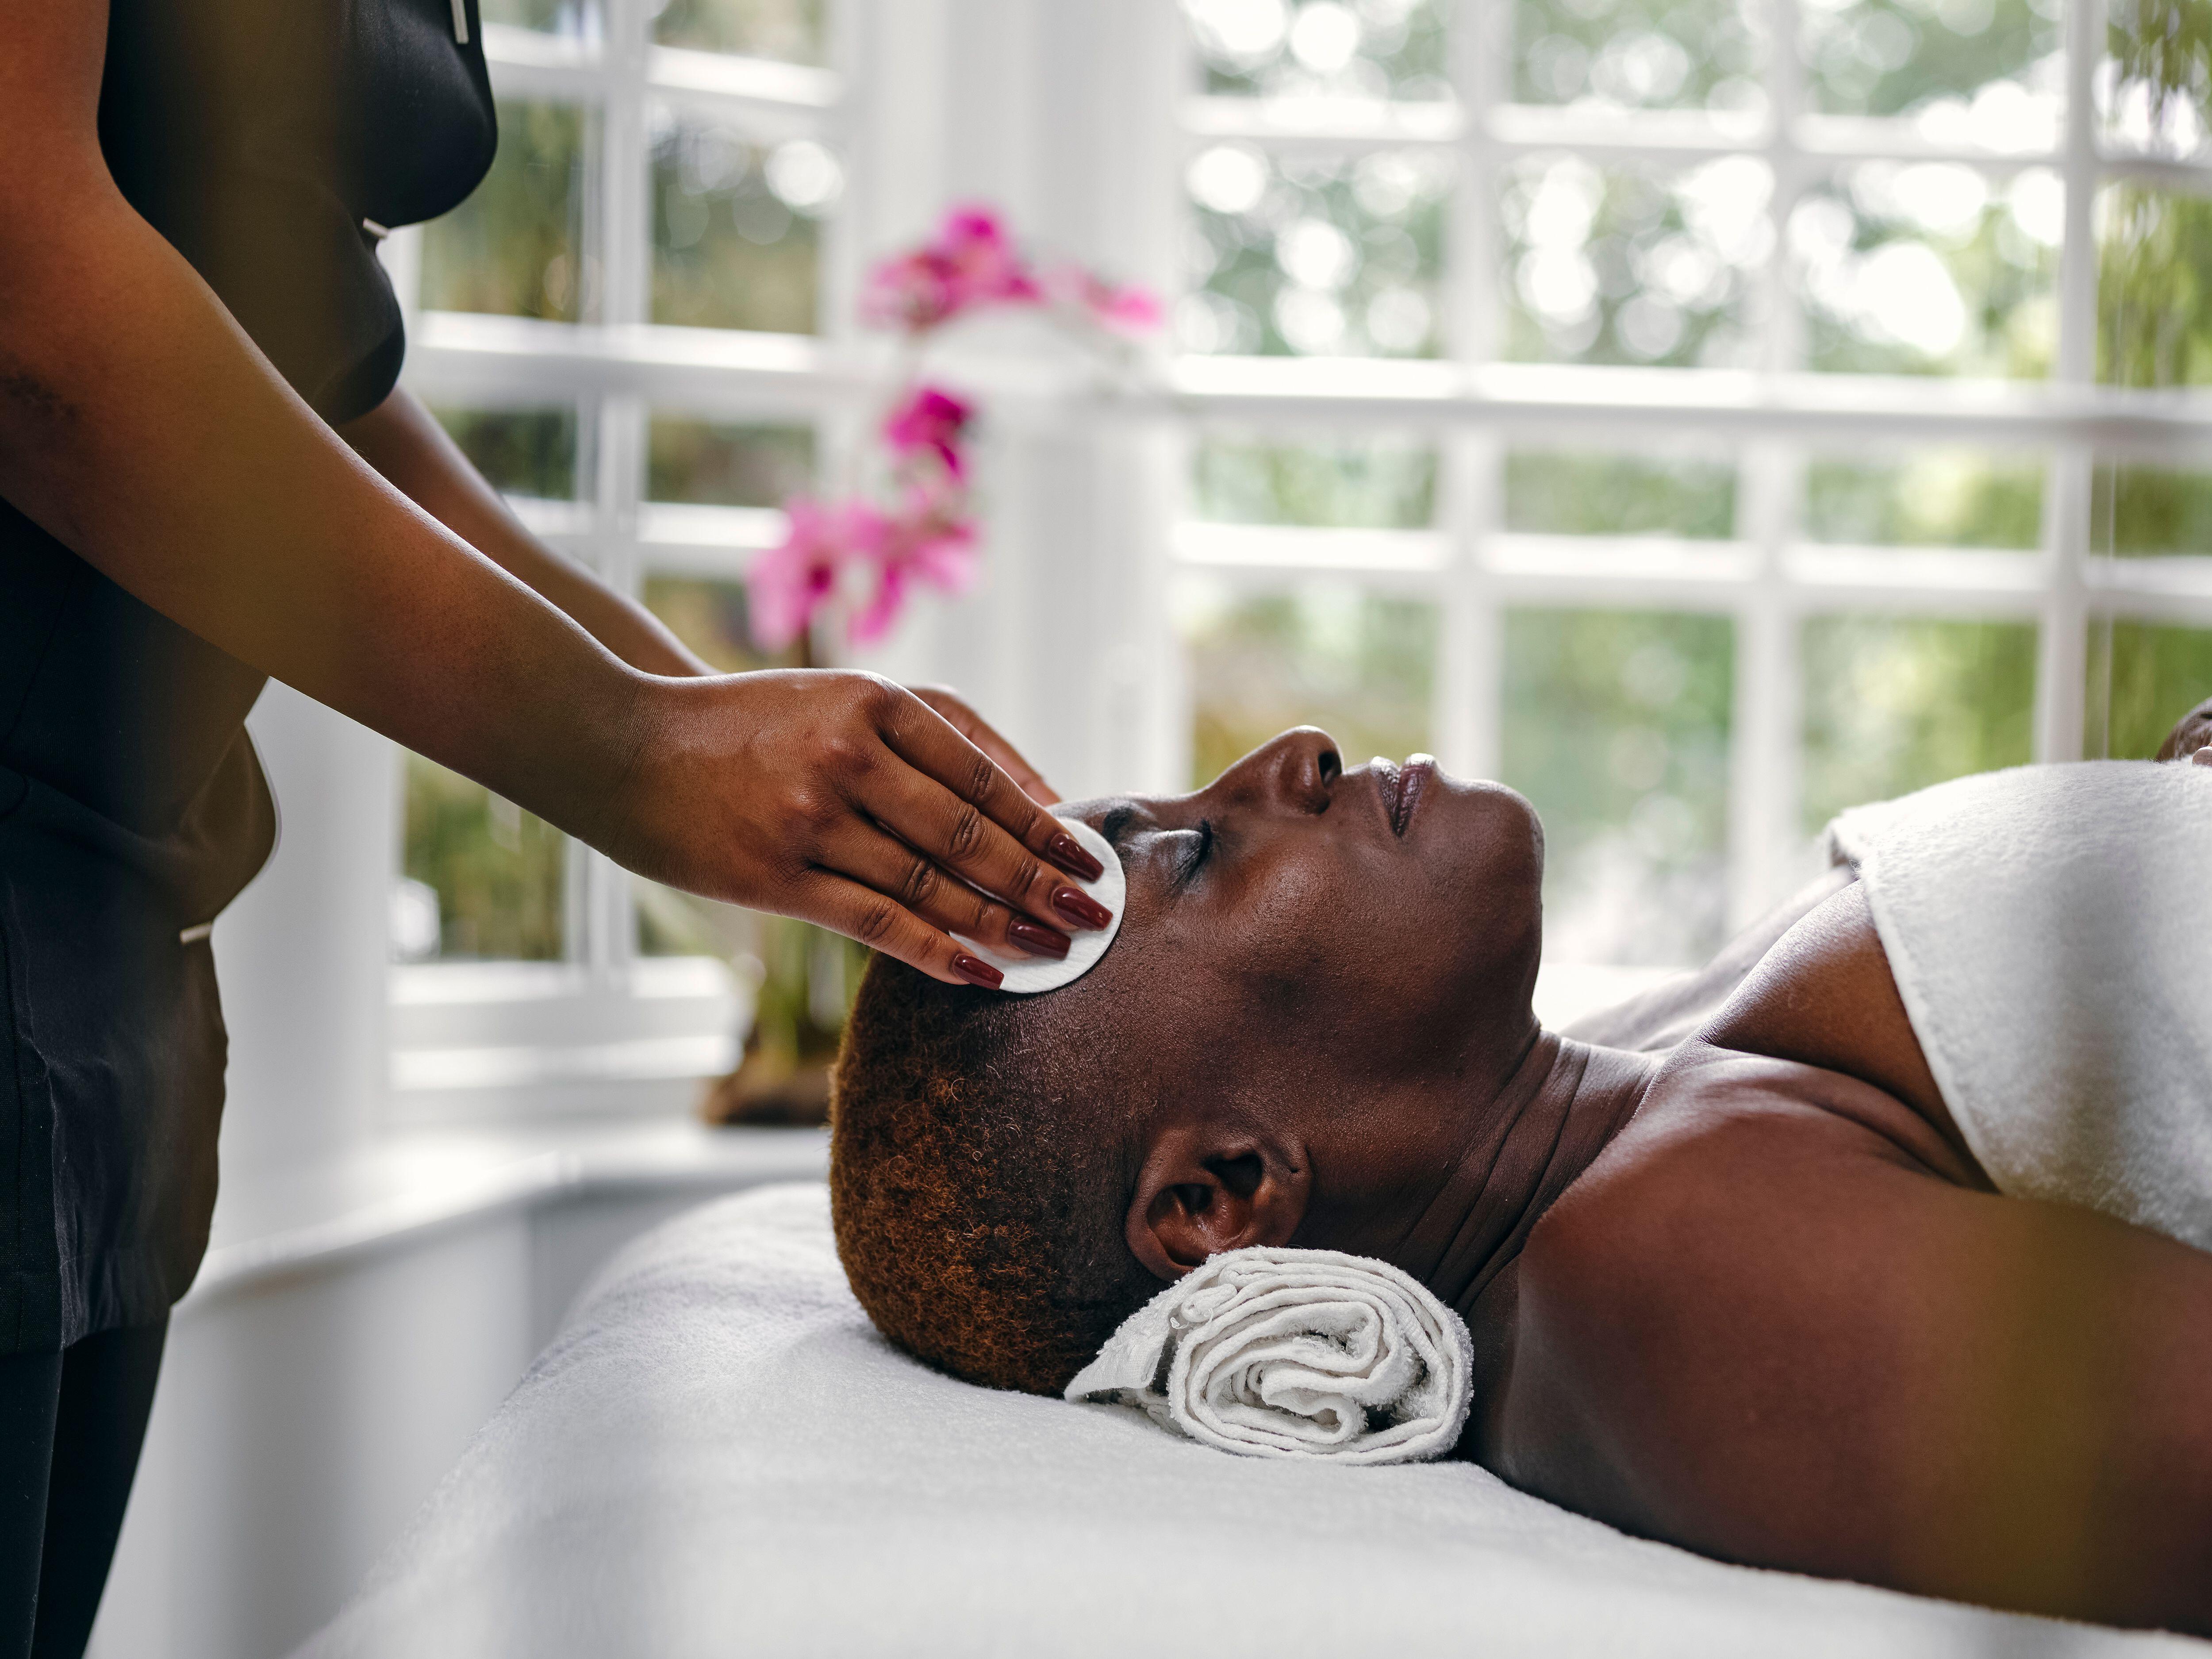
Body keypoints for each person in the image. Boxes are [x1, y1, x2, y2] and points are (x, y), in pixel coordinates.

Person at [0, 4, 1102, 1653]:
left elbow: (294, 341)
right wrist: (631, 752)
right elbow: (27, 294)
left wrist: (685, 703)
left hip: (115, 930)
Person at [830, 704, 2212, 1637]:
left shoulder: (1615, 1077)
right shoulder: (1660, 1265)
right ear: (1224, 1197)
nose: (1291, 755)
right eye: (1193, 856)